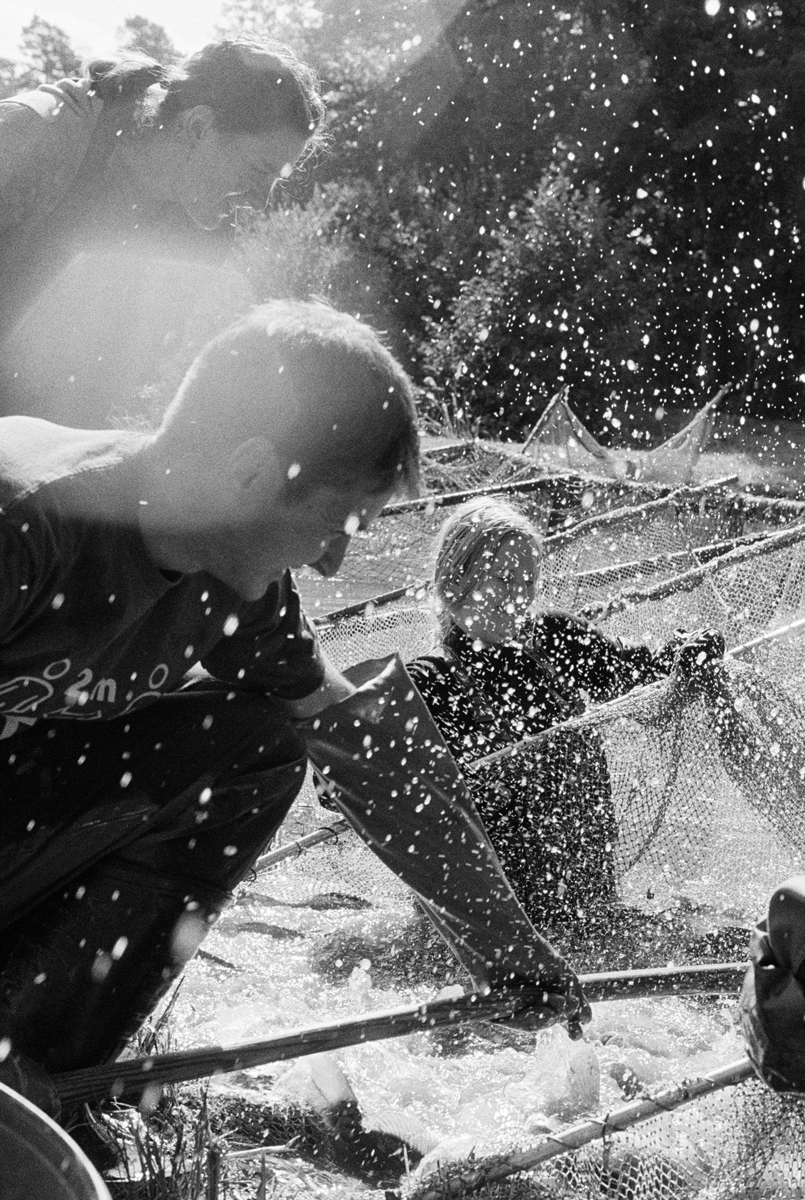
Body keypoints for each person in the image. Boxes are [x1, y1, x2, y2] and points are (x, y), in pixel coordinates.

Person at [0, 301, 588, 1108]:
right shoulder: (27, 526)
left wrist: (506, 950)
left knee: (262, 738)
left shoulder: (243, 591)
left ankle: (45, 1072)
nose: (335, 563)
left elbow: (368, 755)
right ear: (247, 473)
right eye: (336, 526)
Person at [406, 497, 723, 927]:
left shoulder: (555, 639)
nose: (518, 597)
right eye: (503, 578)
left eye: (528, 580)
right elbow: (354, 779)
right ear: (454, 581)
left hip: (590, 901)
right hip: (492, 921)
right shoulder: (428, 683)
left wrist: (683, 654)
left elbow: (632, 671)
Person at [0, 37, 326, 426]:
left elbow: (112, 385)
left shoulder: (203, 231)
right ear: (199, 127)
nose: (259, 203)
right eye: (260, 171)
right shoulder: (37, 136)